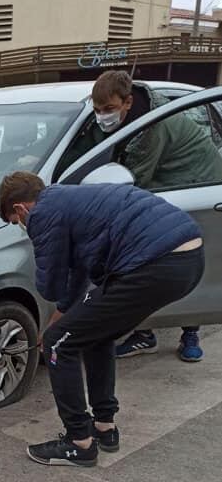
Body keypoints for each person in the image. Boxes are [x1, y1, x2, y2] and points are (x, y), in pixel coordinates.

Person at [0, 171, 204, 467]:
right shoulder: (69, 200)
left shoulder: (42, 214)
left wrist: (55, 324)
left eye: (16, 221)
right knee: (96, 333)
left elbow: (52, 284)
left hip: (153, 264)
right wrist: (61, 314)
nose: (21, 226)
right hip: (187, 258)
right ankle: (104, 428)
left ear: (19, 208)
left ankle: (78, 443)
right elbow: (80, 273)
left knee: (57, 345)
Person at [63, 70, 222, 362]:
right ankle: (146, 329)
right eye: (98, 111)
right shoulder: (131, 117)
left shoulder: (152, 126)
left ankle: (182, 332)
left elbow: (134, 181)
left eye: (109, 109)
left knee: (180, 264)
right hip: (170, 184)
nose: (103, 116)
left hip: (195, 189)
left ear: (127, 101)